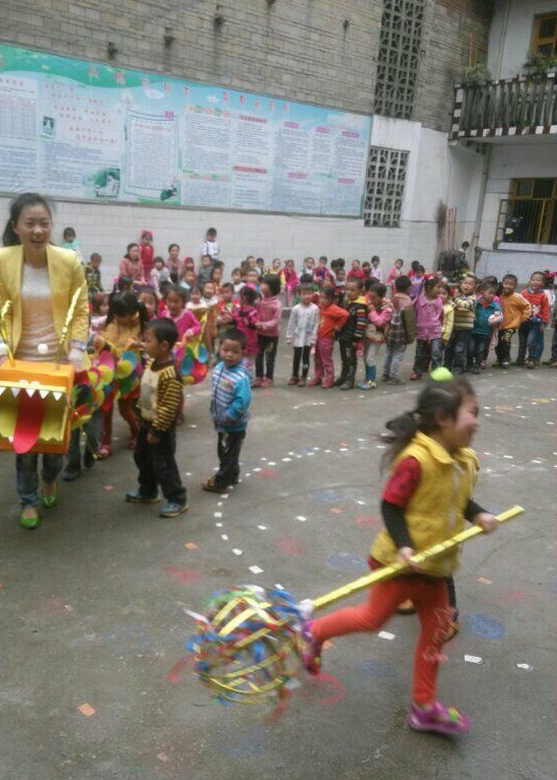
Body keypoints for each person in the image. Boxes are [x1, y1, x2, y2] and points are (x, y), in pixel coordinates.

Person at [299, 373, 497, 736]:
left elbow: (457, 500)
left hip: (435, 568)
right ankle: (312, 632)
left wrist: (478, 514)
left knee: (438, 628)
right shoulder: (416, 461)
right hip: (398, 564)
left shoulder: (461, 461)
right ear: (443, 417)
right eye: (472, 412)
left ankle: (423, 706)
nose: (477, 421)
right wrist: (405, 545)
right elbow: (391, 506)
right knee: (372, 619)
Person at [0, 193, 89, 530]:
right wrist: (3, 347)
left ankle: (51, 477)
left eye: (44, 223)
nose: (38, 230)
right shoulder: (4, 260)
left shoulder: (68, 260)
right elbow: (1, 309)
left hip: (60, 362)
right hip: (22, 361)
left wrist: (77, 349)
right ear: (16, 227)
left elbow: (80, 308)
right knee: (25, 440)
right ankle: (28, 499)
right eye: (30, 223)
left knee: (55, 438)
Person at [125, 318, 188, 517]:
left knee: (163, 464)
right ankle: (148, 491)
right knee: (142, 457)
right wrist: (138, 412)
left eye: (149, 341)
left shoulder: (170, 374)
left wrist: (157, 430)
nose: (145, 345)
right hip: (146, 423)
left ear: (164, 346)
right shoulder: (153, 362)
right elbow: (147, 390)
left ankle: (177, 499)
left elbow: (169, 408)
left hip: (160, 428)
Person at [93, 291, 147, 459]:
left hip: (127, 374)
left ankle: (136, 432)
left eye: (121, 316)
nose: (117, 318)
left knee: (125, 409)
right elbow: (95, 329)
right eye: (114, 314)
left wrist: (107, 347)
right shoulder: (110, 321)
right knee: (105, 408)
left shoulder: (139, 327)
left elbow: (125, 354)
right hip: (107, 371)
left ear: (131, 314)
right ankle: (106, 442)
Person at [202, 329, 252, 493]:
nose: (229, 355)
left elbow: (242, 401)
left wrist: (229, 416)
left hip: (232, 425)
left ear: (243, 353)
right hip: (221, 420)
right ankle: (232, 475)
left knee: (226, 453)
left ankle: (221, 482)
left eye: (235, 352)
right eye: (225, 350)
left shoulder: (240, 377)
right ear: (219, 348)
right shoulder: (219, 367)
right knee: (230, 452)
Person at [309, 288, 348, 388]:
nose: (322, 300)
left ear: (331, 299)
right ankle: (318, 376)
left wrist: (338, 327)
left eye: (325, 298)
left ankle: (330, 379)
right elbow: (313, 301)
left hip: (327, 339)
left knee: (326, 360)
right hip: (318, 337)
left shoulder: (333, 308)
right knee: (317, 359)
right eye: (321, 298)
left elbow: (345, 314)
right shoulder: (322, 307)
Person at [335, 279, 367, 390]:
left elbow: (361, 325)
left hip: (351, 338)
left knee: (351, 359)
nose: (349, 292)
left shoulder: (360, 307)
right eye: (347, 289)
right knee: (344, 358)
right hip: (343, 336)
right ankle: (343, 376)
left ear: (360, 292)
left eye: (353, 290)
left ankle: (350, 380)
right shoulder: (345, 303)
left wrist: (356, 339)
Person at [383, 276, 415, 385]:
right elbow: (409, 322)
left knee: (388, 353)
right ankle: (393, 377)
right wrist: (410, 336)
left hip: (390, 332)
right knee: (398, 355)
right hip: (400, 334)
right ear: (408, 288)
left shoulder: (392, 298)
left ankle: (385, 374)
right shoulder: (408, 301)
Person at [360, 282, 392, 390]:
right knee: (365, 358)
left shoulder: (387, 309)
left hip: (378, 337)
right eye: (370, 297)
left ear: (382, 296)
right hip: (368, 335)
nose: (371, 300)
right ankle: (367, 379)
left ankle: (372, 381)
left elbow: (379, 322)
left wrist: (372, 311)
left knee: (370, 358)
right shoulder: (371, 304)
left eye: (374, 298)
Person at [410, 278, 444, 381]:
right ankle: (417, 372)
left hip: (435, 331)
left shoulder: (439, 300)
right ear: (429, 288)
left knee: (436, 353)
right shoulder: (419, 299)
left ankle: (436, 373)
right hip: (421, 331)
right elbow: (413, 312)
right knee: (420, 353)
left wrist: (440, 326)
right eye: (438, 287)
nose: (440, 289)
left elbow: (441, 315)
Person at [286, 284, 319, 386]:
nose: (307, 296)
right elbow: (292, 322)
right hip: (298, 337)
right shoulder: (296, 309)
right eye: (304, 294)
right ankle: (295, 375)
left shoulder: (315, 308)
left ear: (313, 294)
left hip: (308, 337)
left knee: (305, 358)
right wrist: (289, 336)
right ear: (299, 295)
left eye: (309, 293)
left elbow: (316, 323)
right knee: (296, 357)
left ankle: (304, 376)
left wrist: (314, 338)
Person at [495, 274, 530, 369]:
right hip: (499, 324)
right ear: (502, 284)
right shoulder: (499, 295)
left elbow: (527, 306)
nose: (508, 286)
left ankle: (506, 359)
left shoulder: (517, 297)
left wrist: (525, 317)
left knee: (505, 340)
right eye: (506, 283)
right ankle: (500, 358)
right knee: (497, 342)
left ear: (515, 286)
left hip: (512, 324)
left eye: (511, 284)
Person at [254, 274, 282, 388]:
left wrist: (263, 325)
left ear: (272, 287)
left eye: (265, 284)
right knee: (258, 356)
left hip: (271, 336)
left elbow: (276, 321)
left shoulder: (277, 304)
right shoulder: (259, 302)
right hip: (259, 334)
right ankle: (259, 377)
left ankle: (269, 378)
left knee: (270, 357)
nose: (261, 285)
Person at [444, 275, 477, 374]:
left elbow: (465, 305)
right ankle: (446, 366)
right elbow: (454, 307)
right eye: (465, 283)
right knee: (449, 347)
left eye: (470, 284)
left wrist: (454, 300)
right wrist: (455, 302)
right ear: (461, 285)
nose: (467, 285)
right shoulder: (457, 297)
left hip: (465, 328)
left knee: (460, 349)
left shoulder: (473, 298)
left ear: (474, 287)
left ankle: (458, 367)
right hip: (453, 327)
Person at [517, 271, 549, 369]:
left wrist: (544, 323)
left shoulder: (543, 295)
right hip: (523, 322)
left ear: (542, 283)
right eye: (533, 280)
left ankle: (532, 360)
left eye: (538, 280)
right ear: (530, 281)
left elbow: (545, 310)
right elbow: (518, 307)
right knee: (522, 342)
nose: (535, 282)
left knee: (531, 342)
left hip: (535, 324)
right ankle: (520, 359)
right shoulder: (523, 293)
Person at [471, 282, 502, 373]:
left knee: (481, 349)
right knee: (471, 348)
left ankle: (477, 365)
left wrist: (496, 321)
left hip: (486, 332)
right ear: (482, 292)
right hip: (474, 331)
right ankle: (470, 363)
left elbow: (499, 317)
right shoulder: (476, 303)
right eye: (490, 293)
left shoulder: (495, 306)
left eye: (494, 293)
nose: (492, 295)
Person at [233, 286, 260, 383]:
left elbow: (256, 324)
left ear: (244, 298)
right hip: (240, 340)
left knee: (248, 362)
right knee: (242, 361)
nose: (237, 299)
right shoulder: (239, 310)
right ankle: (241, 379)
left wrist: (249, 323)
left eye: (239, 297)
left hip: (249, 341)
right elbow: (235, 319)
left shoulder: (252, 311)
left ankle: (249, 380)